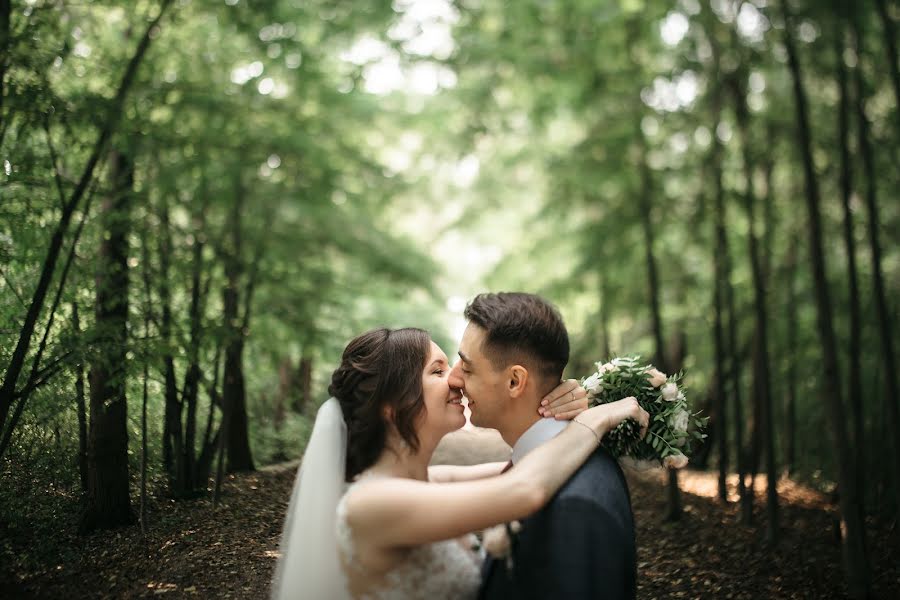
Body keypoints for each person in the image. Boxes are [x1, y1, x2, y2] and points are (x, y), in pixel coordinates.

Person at [271, 326, 648, 600]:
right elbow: (524, 488)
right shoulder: (370, 504)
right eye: (436, 371)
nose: (455, 380)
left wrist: (557, 401)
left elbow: (527, 461)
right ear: (391, 404)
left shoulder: (430, 480)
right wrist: (594, 420)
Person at [449, 292, 639, 600]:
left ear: (515, 382)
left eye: (467, 368)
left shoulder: (575, 506)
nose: (454, 378)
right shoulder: (543, 461)